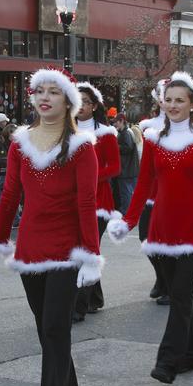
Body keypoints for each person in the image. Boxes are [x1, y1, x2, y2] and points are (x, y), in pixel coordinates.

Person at [0, 67, 102, 386]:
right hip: (31, 249)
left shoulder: (82, 147)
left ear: (69, 101)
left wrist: (91, 255)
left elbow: (86, 203)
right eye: (39, 91)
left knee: (53, 328)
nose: (44, 97)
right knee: (45, 326)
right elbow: (11, 195)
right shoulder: (19, 144)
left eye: (54, 92)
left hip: (66, 249)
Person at [107, 72, 193, 384]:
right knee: (180, 297)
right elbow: (144, 185)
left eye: (180, 100)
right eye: (169, 99)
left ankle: (167, 361)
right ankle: (192, 354)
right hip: (162, 229)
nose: (173, 105)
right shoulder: (153, 139)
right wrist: (128, 221)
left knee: (180, 294)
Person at [73, 82, 120, 322]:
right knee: (85, 248)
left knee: (87, 250)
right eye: (77, 101)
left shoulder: (105, 133)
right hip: (71, 202)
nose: (81, 106)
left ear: (94, 106)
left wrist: (90, 178)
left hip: (99, 202)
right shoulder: (65, 130)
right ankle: (95, 298)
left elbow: (115, 166)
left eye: (86, 102)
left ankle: (78, 306)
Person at [138, 82, 168, 305]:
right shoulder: (148, 127)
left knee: (168, 241)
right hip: (150, 192)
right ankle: (161, 275)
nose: (166, 100)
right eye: (163, 96)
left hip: (171, 195)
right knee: (144, 237)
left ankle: (168, 284)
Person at [113, 113, 139, 214]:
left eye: (116, 122)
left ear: (122, 121)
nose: (115, 124)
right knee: (128, 193)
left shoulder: (126, 133)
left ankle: (125, 212)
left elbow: (128, 148)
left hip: (126, 170)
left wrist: (116, 146)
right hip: (128, 170)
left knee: (126, 193)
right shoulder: (125, 132)